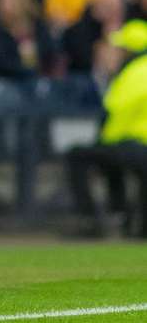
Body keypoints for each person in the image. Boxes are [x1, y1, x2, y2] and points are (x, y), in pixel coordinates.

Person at [66, 19, 147, 239]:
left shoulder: (134, 73)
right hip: (137, 146)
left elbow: (113, 110)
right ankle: (128, 221)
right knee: (114, 160)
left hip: (135, 142)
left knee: (79, 155)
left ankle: (90, 220)